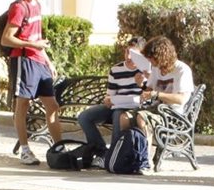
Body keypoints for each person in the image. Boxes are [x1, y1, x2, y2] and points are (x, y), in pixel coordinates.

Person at [3, 0, 61, 166]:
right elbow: (7, 38)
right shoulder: (19, 7)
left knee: (52, 105)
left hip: (38, 60)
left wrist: (48, 60)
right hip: (23, 60)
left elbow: (37, 37)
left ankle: (59, 146)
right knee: (23, 104)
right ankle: (25, 150)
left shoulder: (37, 6)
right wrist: (32, 46)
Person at [77, 36, 148, 168]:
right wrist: (108, 100)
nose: (129, 57)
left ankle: (114, 157)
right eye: (127, 52)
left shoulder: (146, 70)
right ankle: (102, 153)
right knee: (84, 117)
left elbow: (149, 95)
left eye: (133, 54)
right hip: (116, 105)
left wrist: (143, 83)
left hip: (134, 109)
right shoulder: (116, 69)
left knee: (118, 115)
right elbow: (110, 95)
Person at [135, 35, 194, 172]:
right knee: (124, 117)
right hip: (157, 109)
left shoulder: (182, 70)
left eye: (152, 58)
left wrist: (157, 94)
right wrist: (142, 86)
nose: (150, 61)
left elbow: (181, 99)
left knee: (142, 118)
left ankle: (145, 161)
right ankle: (127, 156)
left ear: (161, 55)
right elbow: (150, 89)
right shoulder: (156, 69)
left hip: (173, 115)